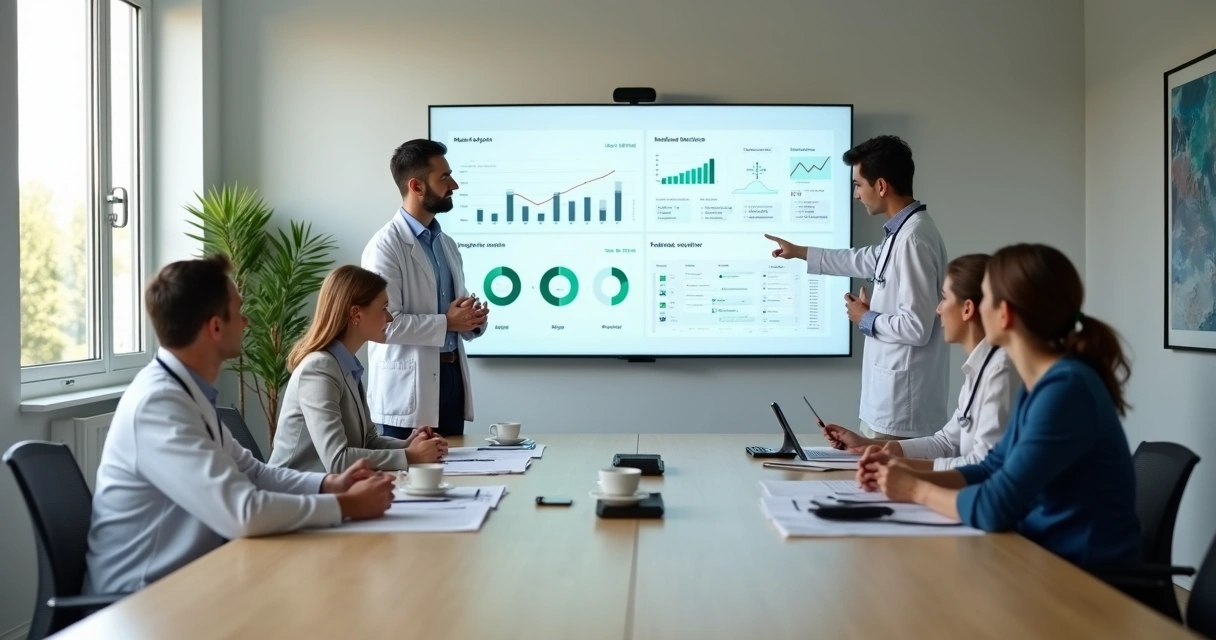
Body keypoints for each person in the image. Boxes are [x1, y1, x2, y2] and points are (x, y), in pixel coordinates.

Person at [85, 256, 394, 595]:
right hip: (141, 601)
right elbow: (241, 511)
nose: (246, 321)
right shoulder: (158, 405)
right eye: (239, 310)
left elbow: (256, 472)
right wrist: (347, 505)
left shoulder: (186, 392)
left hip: (192, 580)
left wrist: (331, 484)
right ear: (216, 327)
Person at [859, 244, 1141, 568]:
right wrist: (900, 475)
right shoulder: (1041, 382)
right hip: (1048, 561)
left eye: (985, 297)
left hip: (1088, 581)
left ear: (1004, 314)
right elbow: (990, 470)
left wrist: (914, 489)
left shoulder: (1066, 389)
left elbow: (996, 505)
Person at [767, 135, 948, 439]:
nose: (856, 195)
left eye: (858, 185)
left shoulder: (914, 240)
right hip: (889, 403)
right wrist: (799, 252)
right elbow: (860, 260)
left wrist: (864, 317)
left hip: (904, 410)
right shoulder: (901, 234)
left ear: (880, 186)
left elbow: (917, 327)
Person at [820, 254, 1019, 469]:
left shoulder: (1000, 371)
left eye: (944, 298)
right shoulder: (979, 368)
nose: (938, 309)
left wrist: (899, 468)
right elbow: (944, 442)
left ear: (967, 309)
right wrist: (867, 445)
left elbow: (984, 466)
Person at [362, 139, 488, 439]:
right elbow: (382, 324)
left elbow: (455, 311)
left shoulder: (446, 244)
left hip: (451, 378)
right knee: (408, 480)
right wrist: (449, 321)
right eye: (444, 177)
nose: (454, 185)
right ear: (417, 187)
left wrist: (471, 320)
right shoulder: (385, 247)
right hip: (407, 390)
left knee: (455, 475)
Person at [269, 265, 449, 474]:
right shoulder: (319, 369)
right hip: (294, 496)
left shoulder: (346, 364)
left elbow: (368, 441)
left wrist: (409, 445)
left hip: (326, 491)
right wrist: (410, 456)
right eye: (383, 308)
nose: (389, 318)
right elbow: (338, 460)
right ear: (356, 314)